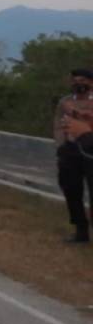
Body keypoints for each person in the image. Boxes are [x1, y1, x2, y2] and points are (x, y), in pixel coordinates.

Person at [55, 68, 93, 243]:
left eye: (83, 81)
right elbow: (58, 124)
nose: (79, 84)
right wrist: (61, 145)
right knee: (71, 190)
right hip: (70, 150)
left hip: (90, 150)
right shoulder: (65, 102)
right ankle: (80, 230)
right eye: (75, 81)